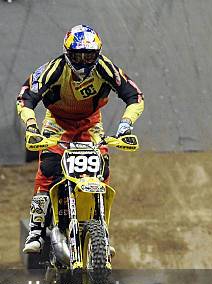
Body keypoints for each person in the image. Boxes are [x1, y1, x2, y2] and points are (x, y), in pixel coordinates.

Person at [17, 24, 144, 253]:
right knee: (47, 169)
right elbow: (25, 96)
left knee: (101, 172)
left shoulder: (106, 67)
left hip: (90, 124)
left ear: (98, 53)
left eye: (89, 55)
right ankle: (35, 230)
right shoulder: (53, 69)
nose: (84, 61)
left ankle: (102, 231)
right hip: (57, 123)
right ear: (68, 53)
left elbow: (134, 95)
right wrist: (31, 127)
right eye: (78, 55)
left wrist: (125, 126)